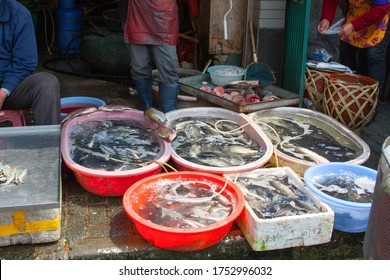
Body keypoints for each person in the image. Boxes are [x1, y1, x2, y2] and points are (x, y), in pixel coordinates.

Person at [0, 0, 60, 125]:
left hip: (9, 89)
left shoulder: (19, 14)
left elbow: (25, 63)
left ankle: (48, 142)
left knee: (46, 83)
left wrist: (2, 93)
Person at [318, 0, 390, 101]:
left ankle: (371, 103)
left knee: (374, 57)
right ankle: (347, 97)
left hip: (378, 18)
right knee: (346, 52)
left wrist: (353, 26)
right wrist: (326, 18)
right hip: (355, 14)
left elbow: (381, 8)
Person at [123, 0, 180, 113]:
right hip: (137, 15)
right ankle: (146, 110)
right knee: (139, 67)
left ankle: (168, 114)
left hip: (164, 17)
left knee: (169, 69)